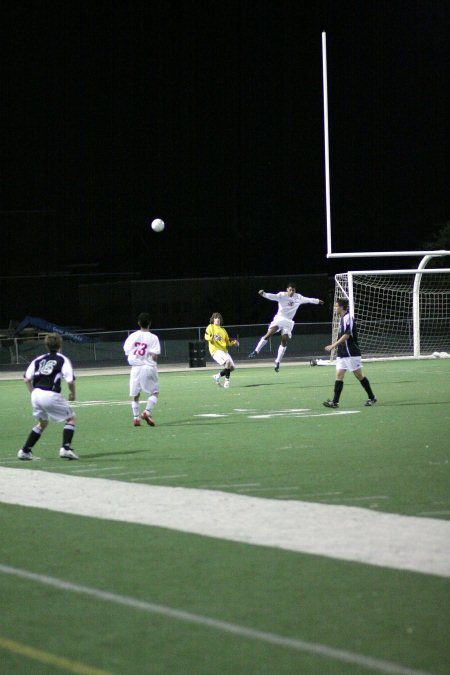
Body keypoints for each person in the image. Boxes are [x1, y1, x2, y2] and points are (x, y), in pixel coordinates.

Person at [18, 333, 78, 461]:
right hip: (50, 394)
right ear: (60, 345)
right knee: (71, 419)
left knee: (42, 423)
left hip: (36, 394)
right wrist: (72, 394)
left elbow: (26, 379)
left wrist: (32, 393)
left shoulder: (38, 359)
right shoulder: (62, 359)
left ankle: (25, 451)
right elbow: (70, 380)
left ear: (46, 345)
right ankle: (65, 449)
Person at [248, 283, 324, 371]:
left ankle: (277, 362)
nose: (291, 292)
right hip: (279, 319)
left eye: (293, 290)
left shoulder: (298, 297)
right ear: (287, 289)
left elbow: (308, 300)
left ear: (295, 291)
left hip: (288, 322)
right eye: (290, 290)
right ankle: (256, 351)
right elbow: (272, 296)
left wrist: (318, 301)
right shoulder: (281, 295)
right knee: (269, 333)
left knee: (284, 340)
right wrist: (263, 294)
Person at [323, 297, 377, 408]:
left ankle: (372, 397)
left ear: (342, 307)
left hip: (351, 352)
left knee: (359, 375)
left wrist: (333, 346)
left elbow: (347, 335)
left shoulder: (348, 318)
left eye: (336, 306)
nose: (335, 308)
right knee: (339, 375)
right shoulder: (342, 318)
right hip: (342, 353)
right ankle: (335, 402)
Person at [123, 312, 161, 426]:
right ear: (150, 323)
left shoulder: (132, 336)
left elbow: (127, 351)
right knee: (154, 392)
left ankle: (136, 418)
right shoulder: (153, 338)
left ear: (139, 323)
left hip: (135, 368)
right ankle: (146, 412)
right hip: (148, 367)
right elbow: (154, 356)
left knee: (135, 394)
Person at [204, 312, 239, 388]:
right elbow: (206, 336)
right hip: (215, 350)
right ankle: (227, 381)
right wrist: (213, 337)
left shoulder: (223, 330)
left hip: (224, 351)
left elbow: (227, 341)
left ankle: (217, 376)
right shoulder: (210, 327)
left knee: (232, 368)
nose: (218, 319)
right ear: (213, 319)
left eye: (219, 318)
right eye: (216, 318)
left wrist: (234, 343)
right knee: (228, 361)